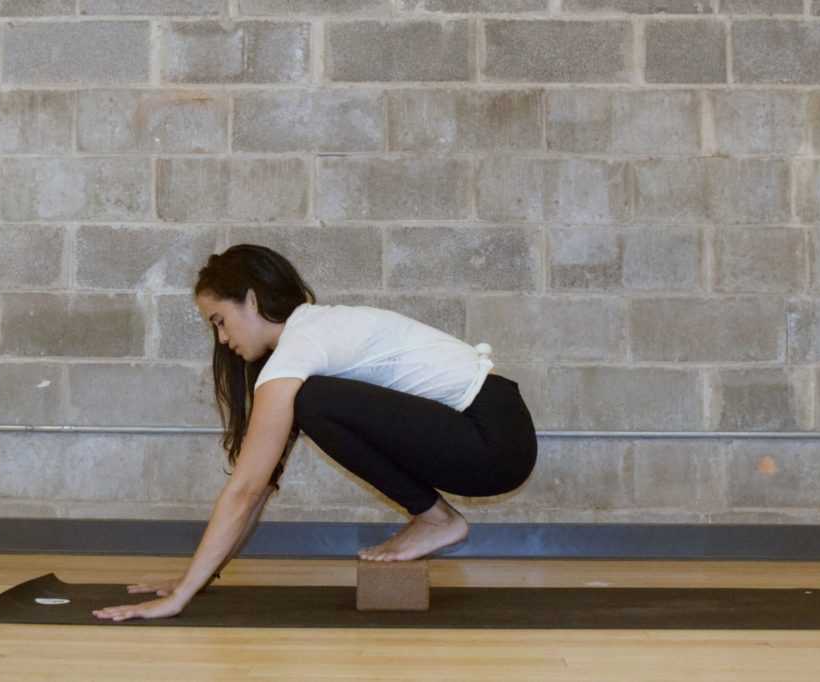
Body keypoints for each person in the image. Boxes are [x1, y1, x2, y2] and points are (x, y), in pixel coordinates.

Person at [93, 244, 538, 621]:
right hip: (494, 431)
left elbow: (245, 489)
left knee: (314, 401)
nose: (222, 338)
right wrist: (197, 578)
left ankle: (437, 519)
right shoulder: (311, 338)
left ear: (251, 300)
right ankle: (435, 518)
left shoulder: (301, 348)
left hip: (492, 437)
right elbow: (260, 485)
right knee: (313, 402)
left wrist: (180, 598)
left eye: (219, 320)